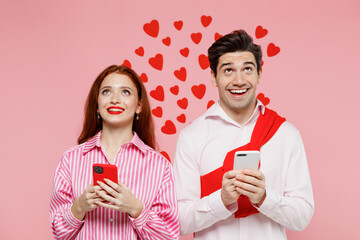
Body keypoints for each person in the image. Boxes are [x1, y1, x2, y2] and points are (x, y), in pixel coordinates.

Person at [173, 30, 314, 240]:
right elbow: (179, 220)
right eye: (228, 70)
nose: (239, 80)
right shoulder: (191, 137)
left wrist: (265, 198)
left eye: (247, 69)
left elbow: (302, 217)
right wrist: (221, 200)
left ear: (259, 74)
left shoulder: (286, 135)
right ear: (214, 77)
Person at [50, 65, 179, 239]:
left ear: (139, 105)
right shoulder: (71, 160)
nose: (115, 99)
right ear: (97, 106)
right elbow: (59, 233)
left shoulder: (159, 165)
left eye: (125, 92)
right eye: (106, 92)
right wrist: (80, 206)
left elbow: (169, 236)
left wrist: (135, 208)